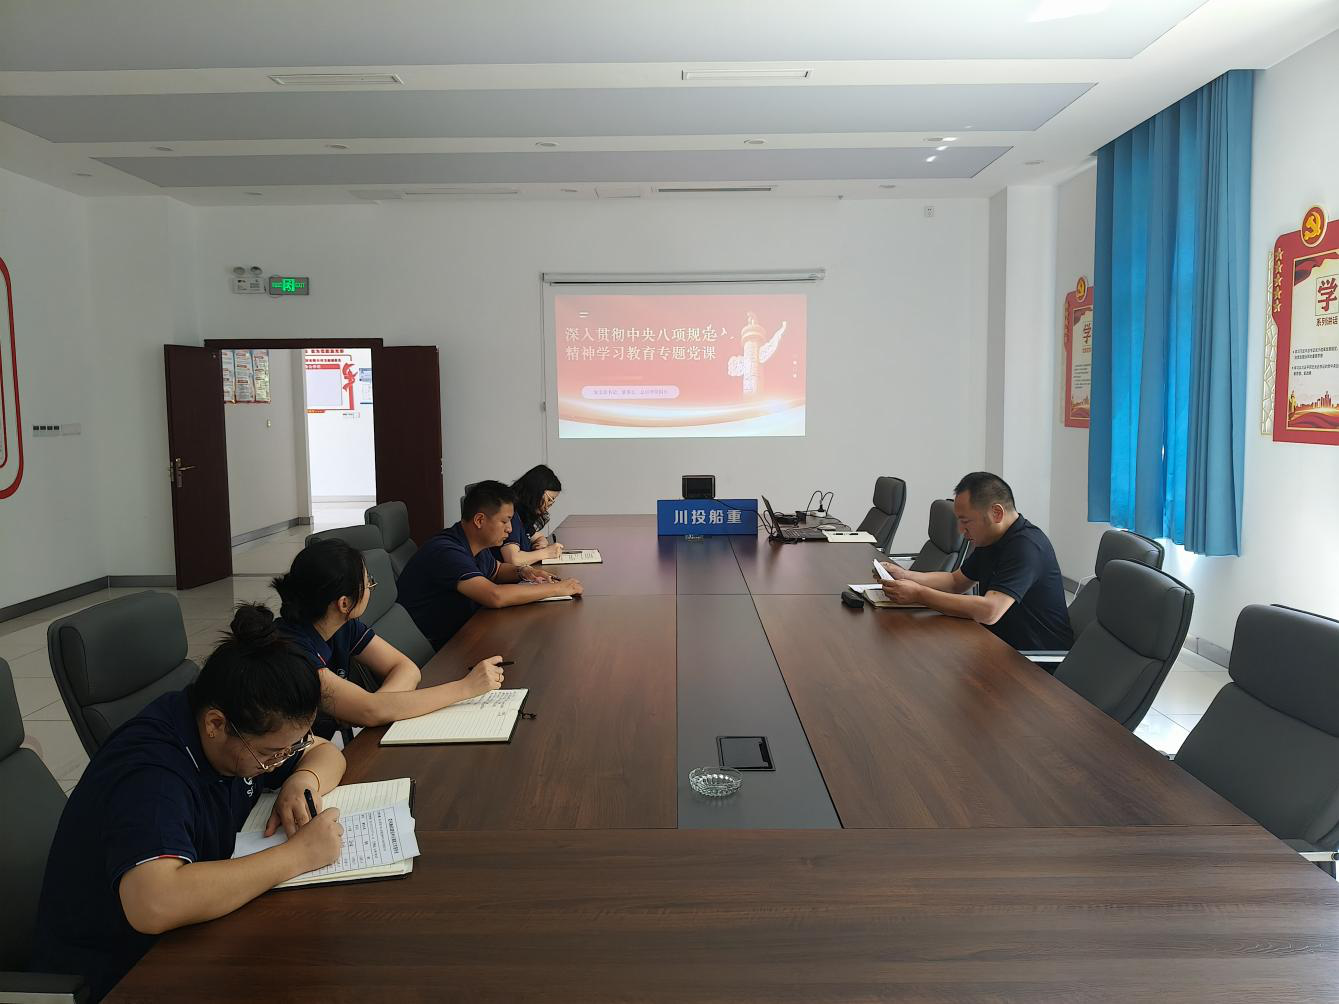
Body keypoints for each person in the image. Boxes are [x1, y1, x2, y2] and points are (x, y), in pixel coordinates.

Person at [31, 605, 348, 1001]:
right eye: (272, 754)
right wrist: (299, 855)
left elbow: (326, 753)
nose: (278, 761)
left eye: (289, 750)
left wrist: (302, 780)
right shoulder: (152, 776)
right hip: (119, 973)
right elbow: (154, 903)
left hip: (192, 938)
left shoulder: (239, 724)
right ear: (216, 724)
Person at [273, 539, 506, 736]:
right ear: (344, 603)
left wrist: (376, 705)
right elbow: (370, 711)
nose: (370, 588)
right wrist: (466, 688)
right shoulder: (292, 653)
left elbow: (406, 668)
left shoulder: (342, 627)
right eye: (368, 583)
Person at [878, 472, 1075, 652]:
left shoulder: (1027, 548)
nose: (960, 530)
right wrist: (905, 575)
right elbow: (955, 582)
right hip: (995, 644)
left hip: (1033, 662)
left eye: (965, 521)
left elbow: (990, 611)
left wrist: (919, 594)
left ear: (996, 513)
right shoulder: (991, 538)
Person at [398, 480, 583, 649]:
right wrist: (557, 589)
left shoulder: (474, 543)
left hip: (463, 631)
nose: (510, 529)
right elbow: (495, 596)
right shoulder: (446, 551)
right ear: (479, 520)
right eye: (505, 521)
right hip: (434, 651)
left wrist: (524, 571)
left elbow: (497, 570)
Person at [499, 464, 564, 567]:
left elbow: (537, 536)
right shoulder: (511, 513)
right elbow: (513, 559)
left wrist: (542, 542)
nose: (549, 505)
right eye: (549, 499)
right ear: (536, 491)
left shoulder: (523, 513)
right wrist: (546, 553)